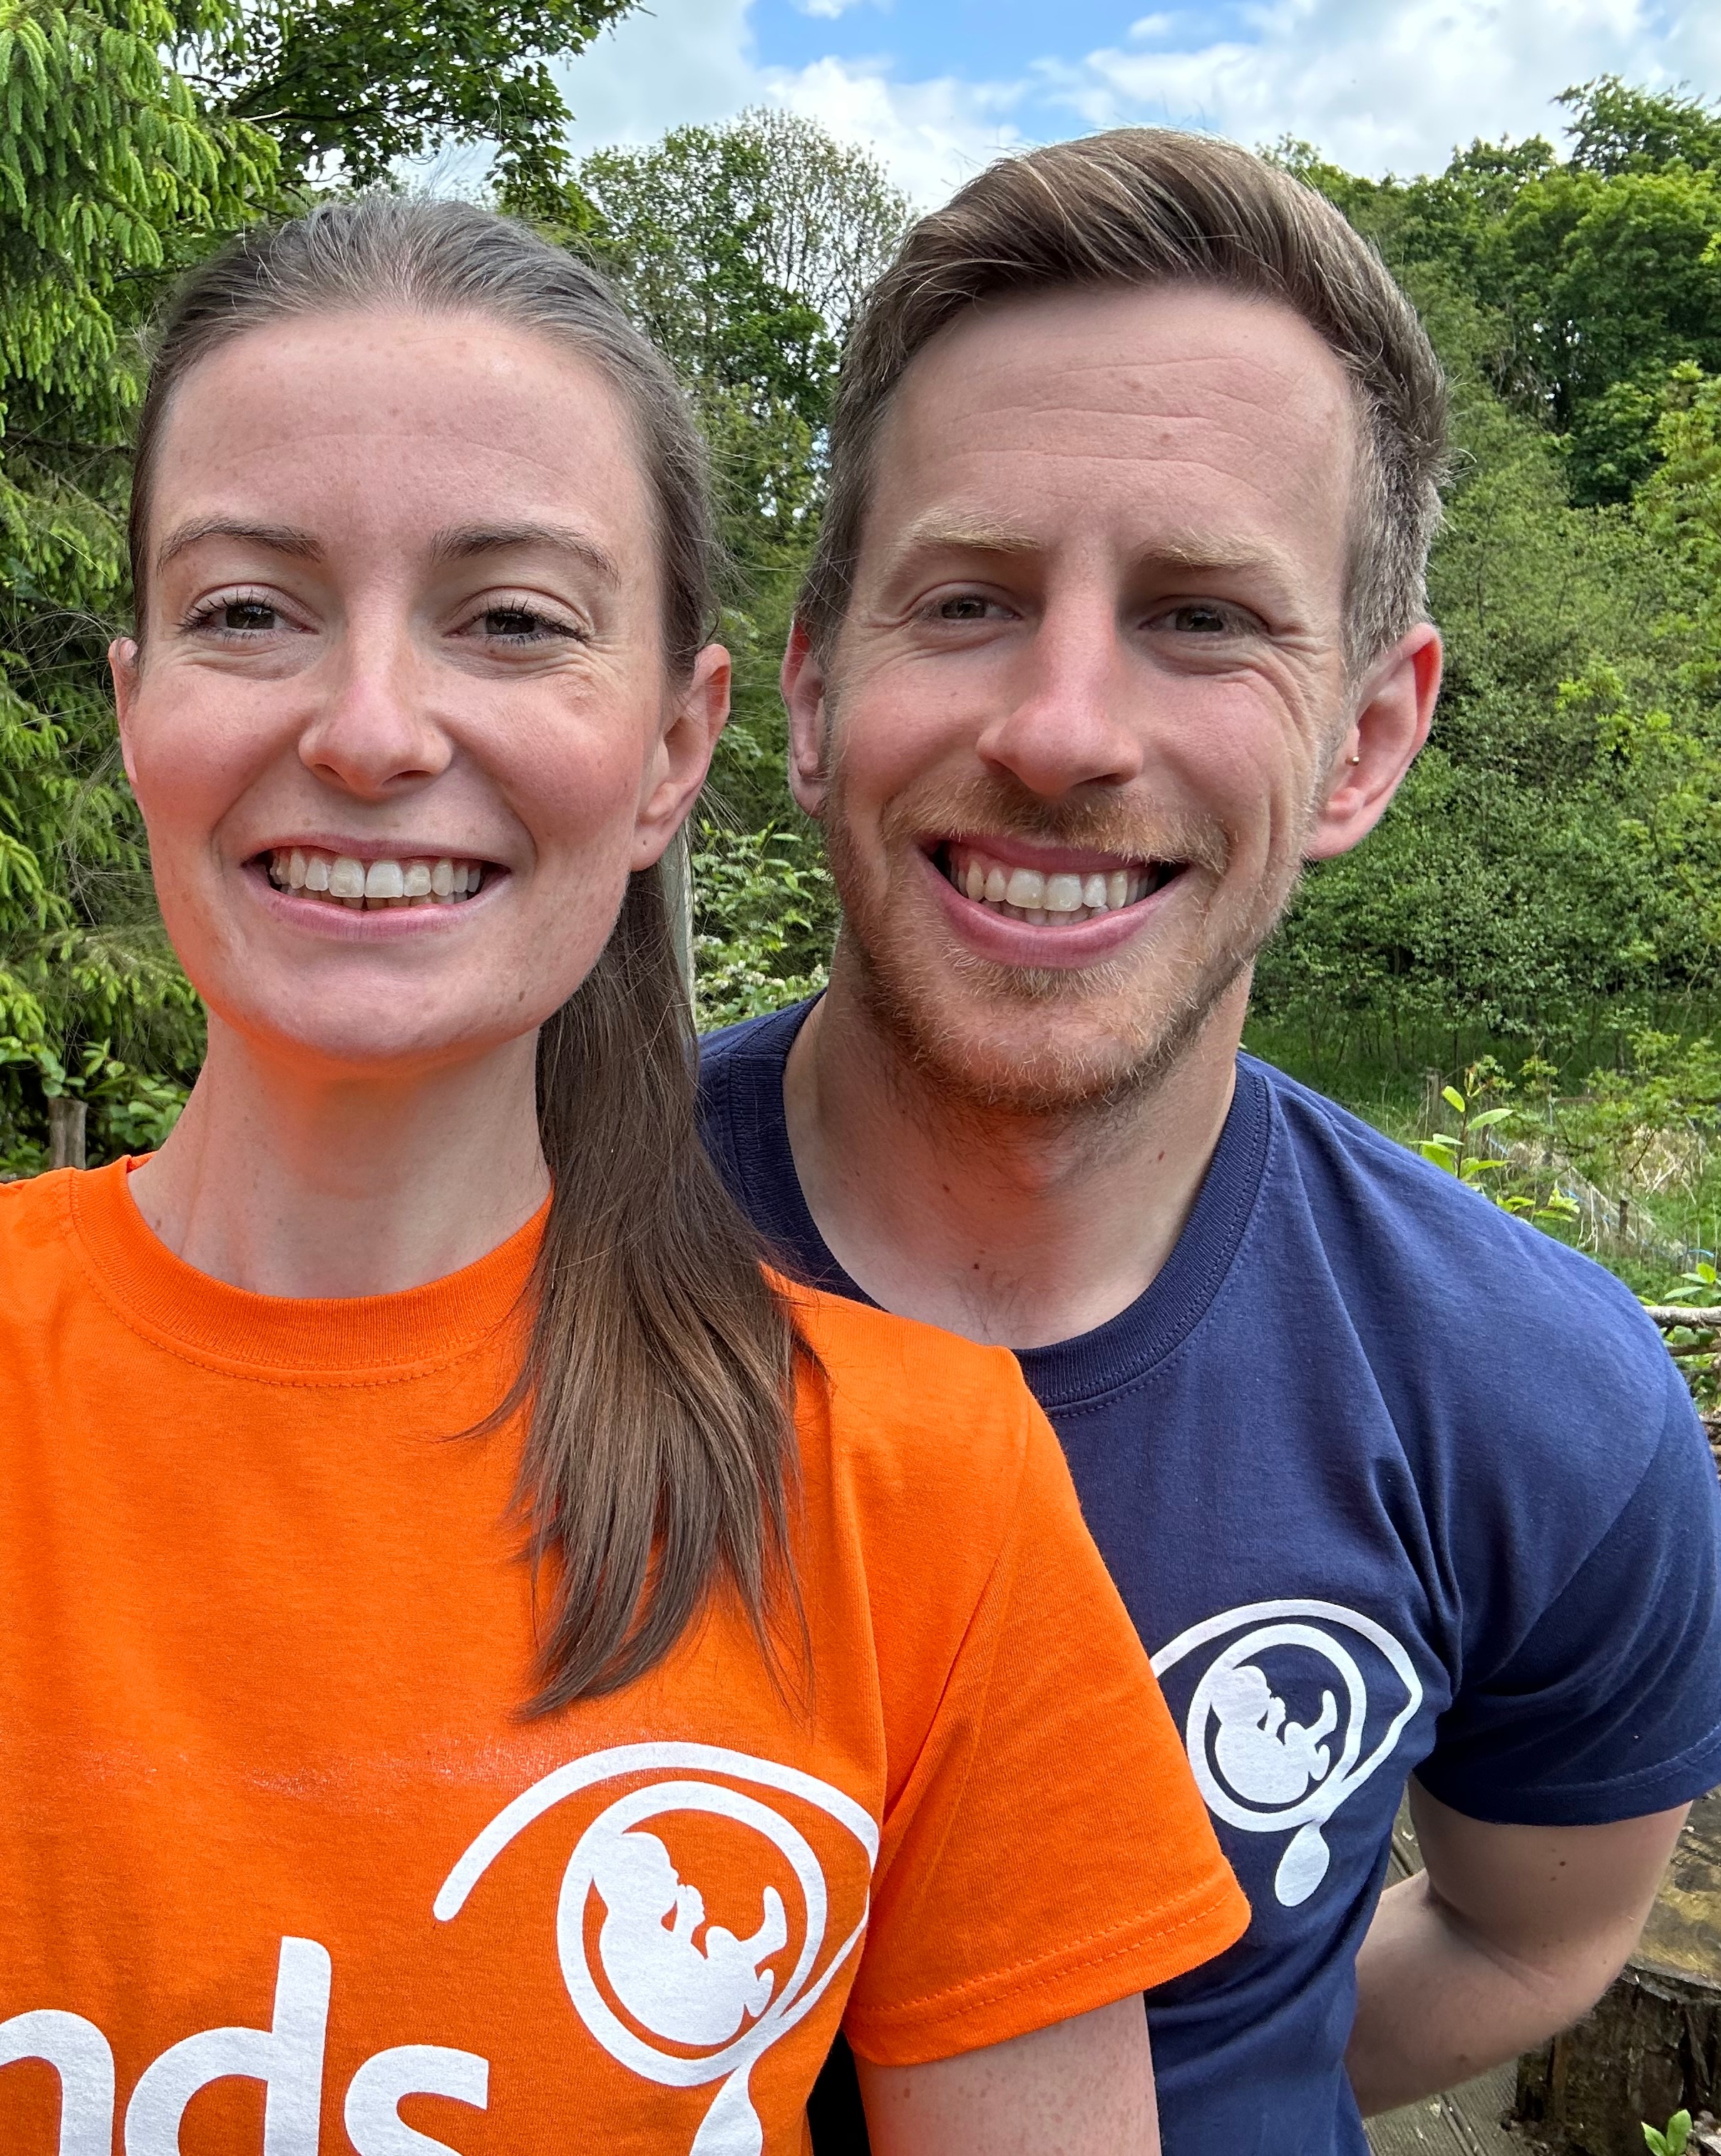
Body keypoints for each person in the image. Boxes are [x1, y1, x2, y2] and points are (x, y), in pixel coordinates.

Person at [0, 197, 1247, 2153]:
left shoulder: (916, 1491)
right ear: (135, 710)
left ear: (673, 749)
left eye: (512, 620)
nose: (367, 731)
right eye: (247, 611)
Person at [697, 130, 1721, 2155]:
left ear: (1366, 739)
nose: (1065, 729)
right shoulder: (484, 1259)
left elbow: (1530, 1933)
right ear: (812, 690)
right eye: (968, 600)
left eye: (1201, 617)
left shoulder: (1535, 1403)